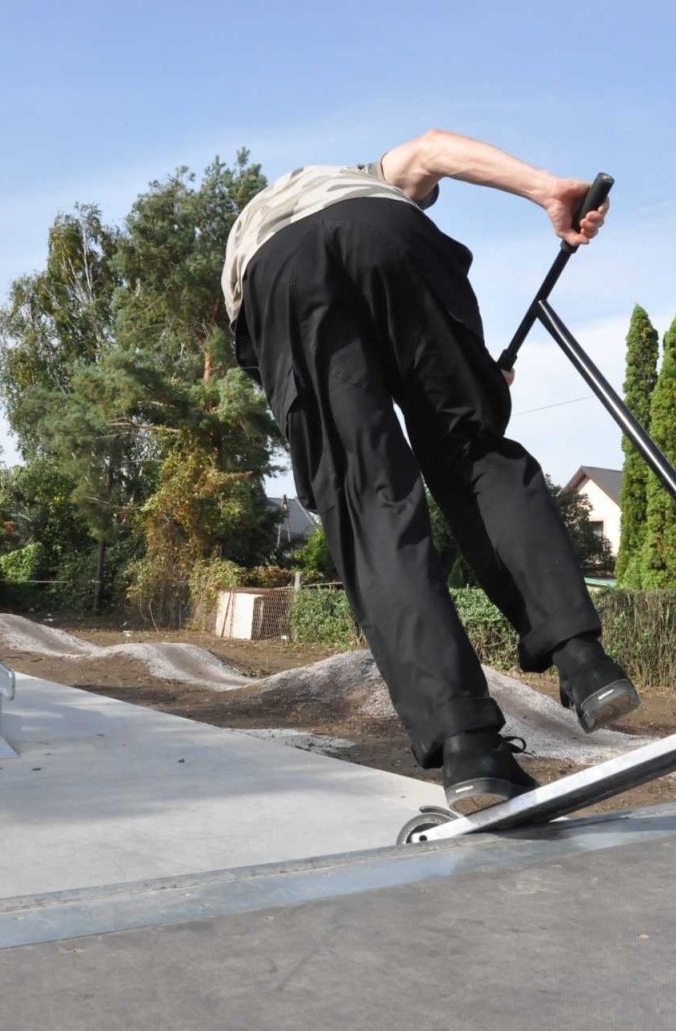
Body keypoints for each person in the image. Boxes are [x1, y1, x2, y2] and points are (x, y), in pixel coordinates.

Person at [223, 130, 640, 814]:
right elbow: (435, 148)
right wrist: (547, 189)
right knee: (470, 447)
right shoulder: (366, 179)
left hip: (277, 281)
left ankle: (470, 747)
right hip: (390, 236)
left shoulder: (250, 242)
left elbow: (323, 373)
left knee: (369, 505)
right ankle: (583, 660)